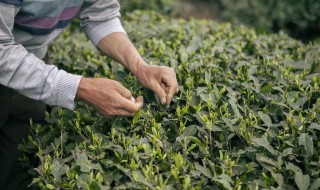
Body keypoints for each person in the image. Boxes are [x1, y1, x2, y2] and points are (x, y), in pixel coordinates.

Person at [0, 0, 179, 189]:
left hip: (35, 65)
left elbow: (101, 16)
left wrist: (140, 66)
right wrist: (80, 88)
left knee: (16, 168)